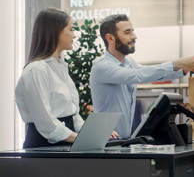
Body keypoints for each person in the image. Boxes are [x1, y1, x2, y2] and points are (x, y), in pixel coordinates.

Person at [90, 14, 194, 139]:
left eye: (133, 32)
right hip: (105, 142)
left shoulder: (130, 63)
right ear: (110, 38)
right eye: (127, 33)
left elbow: (151, 74)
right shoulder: (102, 67)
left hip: (123, 141)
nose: (134, 37)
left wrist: (183, 68)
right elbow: (140, 75)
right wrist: (176, 64)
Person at [15, 8, 118, 149]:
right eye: (71, 29)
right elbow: (47, 124)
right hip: (43, 149)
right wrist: (86, 138)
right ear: (56, 31)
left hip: (65, 145)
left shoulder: (61, 67)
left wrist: (95, 133)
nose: (74, 35)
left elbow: (74, 117)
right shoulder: (36, 70)